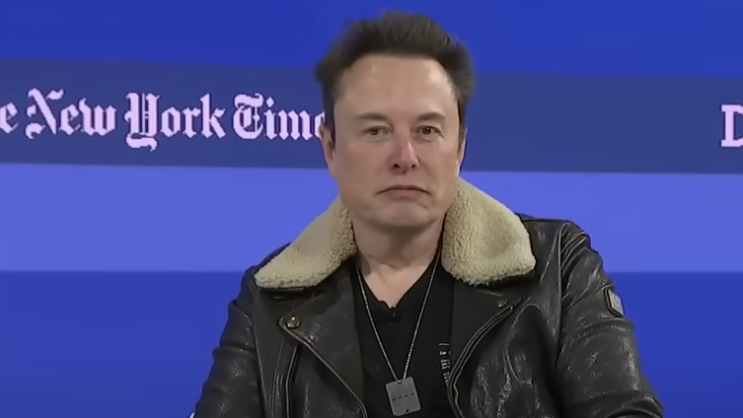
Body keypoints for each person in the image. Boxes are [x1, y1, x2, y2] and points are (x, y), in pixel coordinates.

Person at [193, 10, 663, 418]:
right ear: (330, 148)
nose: (405, 156)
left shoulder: (556, 267)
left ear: (459, 148)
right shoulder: (271, 300)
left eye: (427, 130)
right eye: (376, 131)